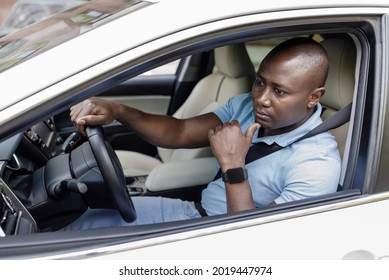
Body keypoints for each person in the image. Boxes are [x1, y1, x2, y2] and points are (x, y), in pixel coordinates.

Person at [63, 37, 341, 230]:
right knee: (83, 221)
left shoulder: (316, 164)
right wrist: (118, 111)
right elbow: (180, 131)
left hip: (218, 241)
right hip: (194, 213)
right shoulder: (246, 106)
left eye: (279, 91)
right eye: (260, 83)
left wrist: (232, 165)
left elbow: (253, 240)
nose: (261, 99)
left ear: (313, 97)